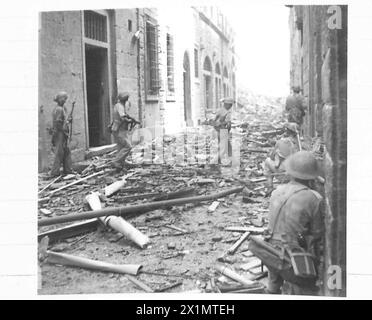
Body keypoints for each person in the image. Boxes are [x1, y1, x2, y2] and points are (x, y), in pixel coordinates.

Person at [266, 151, 323, 295]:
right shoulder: (314, 198)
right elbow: (318, 234)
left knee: (272, 288)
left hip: (270, 252)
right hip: (294, 258)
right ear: (312, 177)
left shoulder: (277, 191)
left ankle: (272, 290)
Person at [263, 122, 300, 194]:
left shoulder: (280, 142)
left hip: (285, 172)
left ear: (287, 131)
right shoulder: (301, 143)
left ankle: (270, 187)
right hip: (298, 173)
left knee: (267, 161)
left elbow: (272, 157)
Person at [110, 92, 139, 170]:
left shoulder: (119, 105)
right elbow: (123, 118)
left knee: (121, 147)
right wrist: (130, 121)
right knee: (128, 146)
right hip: (119, 129)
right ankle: (116, 161)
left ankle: (122, 162)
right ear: (125, 99)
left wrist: (131, 119)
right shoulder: (120, 106)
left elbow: (125, 116)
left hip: (120, 129)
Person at [50, 91, 73, 177]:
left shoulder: (63, 108)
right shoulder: (59, 109)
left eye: (65, 98)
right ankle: (54, 172)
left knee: (66, 151)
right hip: (60, 133)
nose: (64, 100)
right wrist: (64, 131)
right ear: (59, 99)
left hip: (63, 133)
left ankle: (68, 170)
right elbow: (58, 123)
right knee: (59, 153)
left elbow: (64, 120)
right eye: (62, 98)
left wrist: (68, 120)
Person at [211, 97, 234, 166]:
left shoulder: (220, 110)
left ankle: (231, 160)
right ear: (226, 104)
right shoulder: (226, 112)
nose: (230, 106)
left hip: (220, 130)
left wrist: (217, 128)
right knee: (223, 148)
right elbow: (228, 123)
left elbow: (214, 122)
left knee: (228, 147)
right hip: (223, 130)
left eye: (231, 105)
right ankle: (213, 162)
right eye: (230, 105)